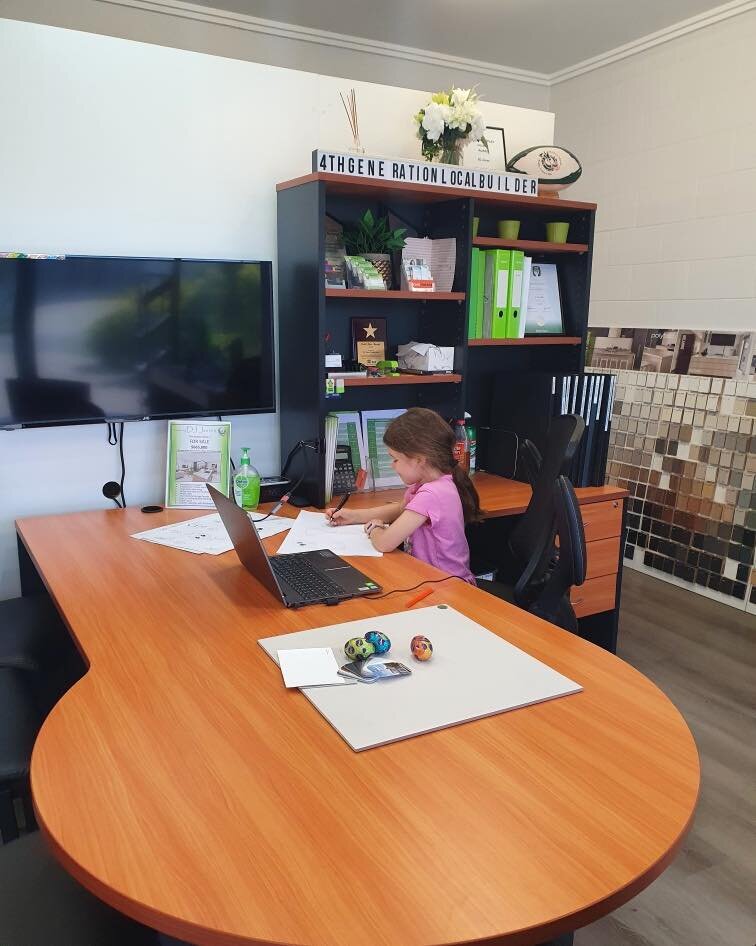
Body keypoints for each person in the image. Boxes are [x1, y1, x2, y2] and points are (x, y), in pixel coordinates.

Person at [325, 408, 480, 584]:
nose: (392, 465)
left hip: (448, 586)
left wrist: (374, 529)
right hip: (431, 579)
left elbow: (384, 543)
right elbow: (401, 509)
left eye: (395, 459)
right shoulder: (431, 483)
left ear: (419, 459)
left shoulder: (432, 494)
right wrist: (354, 516)